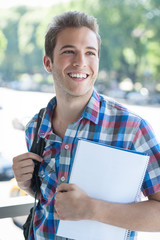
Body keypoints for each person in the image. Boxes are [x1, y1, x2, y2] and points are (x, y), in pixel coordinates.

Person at [12, 11, 160, 240]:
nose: (80, 62)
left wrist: (92, 209)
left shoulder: (132, 129)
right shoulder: (35, 126)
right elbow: (48, 197)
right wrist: (27, 184)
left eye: (90, 52)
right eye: (69, 51)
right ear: (48, 62)